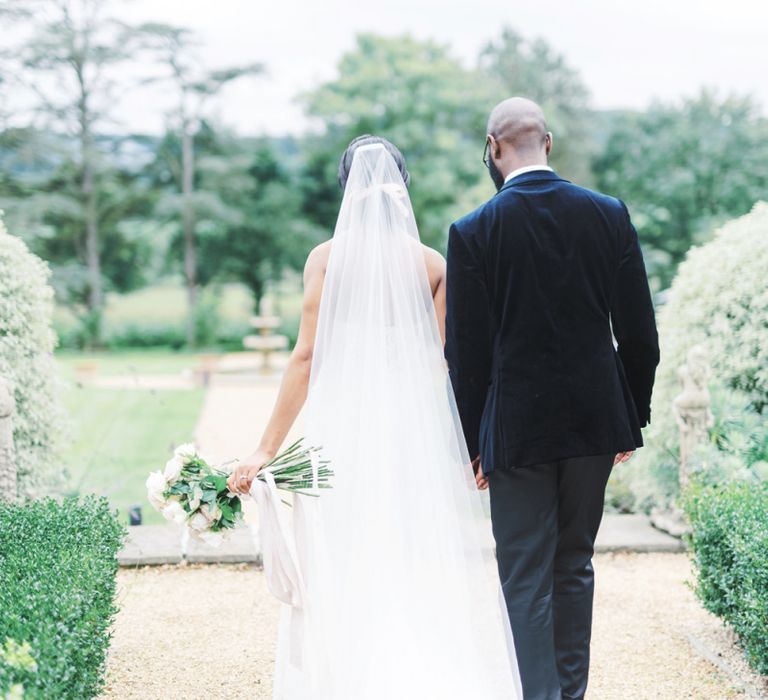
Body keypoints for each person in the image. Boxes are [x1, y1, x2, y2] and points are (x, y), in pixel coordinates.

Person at [228, 135, 522, 699]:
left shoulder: (325, 259)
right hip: (410, 436)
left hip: (339, 433)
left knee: (341, 554)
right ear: (403, 187)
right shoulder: (431, 263)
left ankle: (348, 676)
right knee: (410, 549)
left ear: (346, 190)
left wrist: (266, 447)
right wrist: (465, 445)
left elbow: (307, 357)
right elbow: (450, 366)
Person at [445, 97, 660, 700]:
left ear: (493, 147)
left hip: (517, 430)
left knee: (524, 575)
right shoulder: (608, 214)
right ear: (549, 142)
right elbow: (640, 334)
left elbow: (467, 355)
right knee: (574, 565)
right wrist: (630, 418)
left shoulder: (473, 231)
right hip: (595, 421)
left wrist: (472, 443)